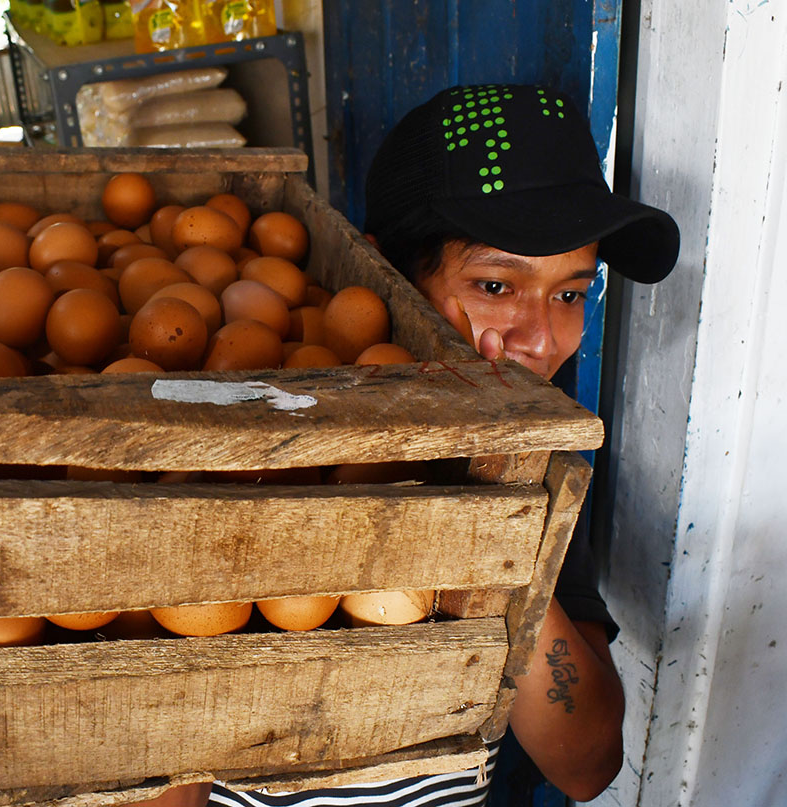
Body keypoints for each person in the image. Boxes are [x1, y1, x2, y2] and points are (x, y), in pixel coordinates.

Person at [208, 85, 678, 807]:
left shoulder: (541, 478)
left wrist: (503, 517)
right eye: (496, 283)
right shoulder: (262, 441)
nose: (542, 339)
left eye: (569, 293)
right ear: (385, 275)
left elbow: (586, 766)